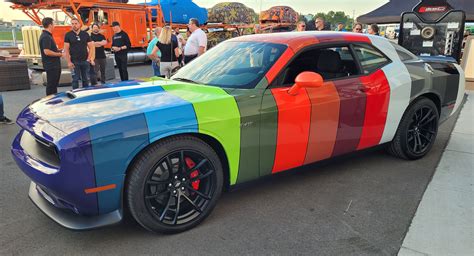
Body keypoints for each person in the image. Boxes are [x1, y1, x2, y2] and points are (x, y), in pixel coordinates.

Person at [64, 18, 94, 89]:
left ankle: (86, 95)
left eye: (76, 23)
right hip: (74, 62)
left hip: (85, 61)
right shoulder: (68, 35)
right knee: (75, 80)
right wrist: (69, 62)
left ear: (80, 24)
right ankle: (76, 95)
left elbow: (91, 47)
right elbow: (66, 50)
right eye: (72, 24)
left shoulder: (85, 34)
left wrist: (88, 59)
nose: (74, 25)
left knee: (86, 79)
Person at [39, 17, 62, 95]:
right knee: (51, 85)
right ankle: (50, 101)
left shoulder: (48, 36)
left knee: (54, 85)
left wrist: (59, 50)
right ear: (50, 25)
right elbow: (47, 51)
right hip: (51, 65)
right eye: (54, 24)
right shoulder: (46, 37)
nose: (54, 26)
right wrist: (60, 54)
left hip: (53, 64)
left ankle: (53, 100)